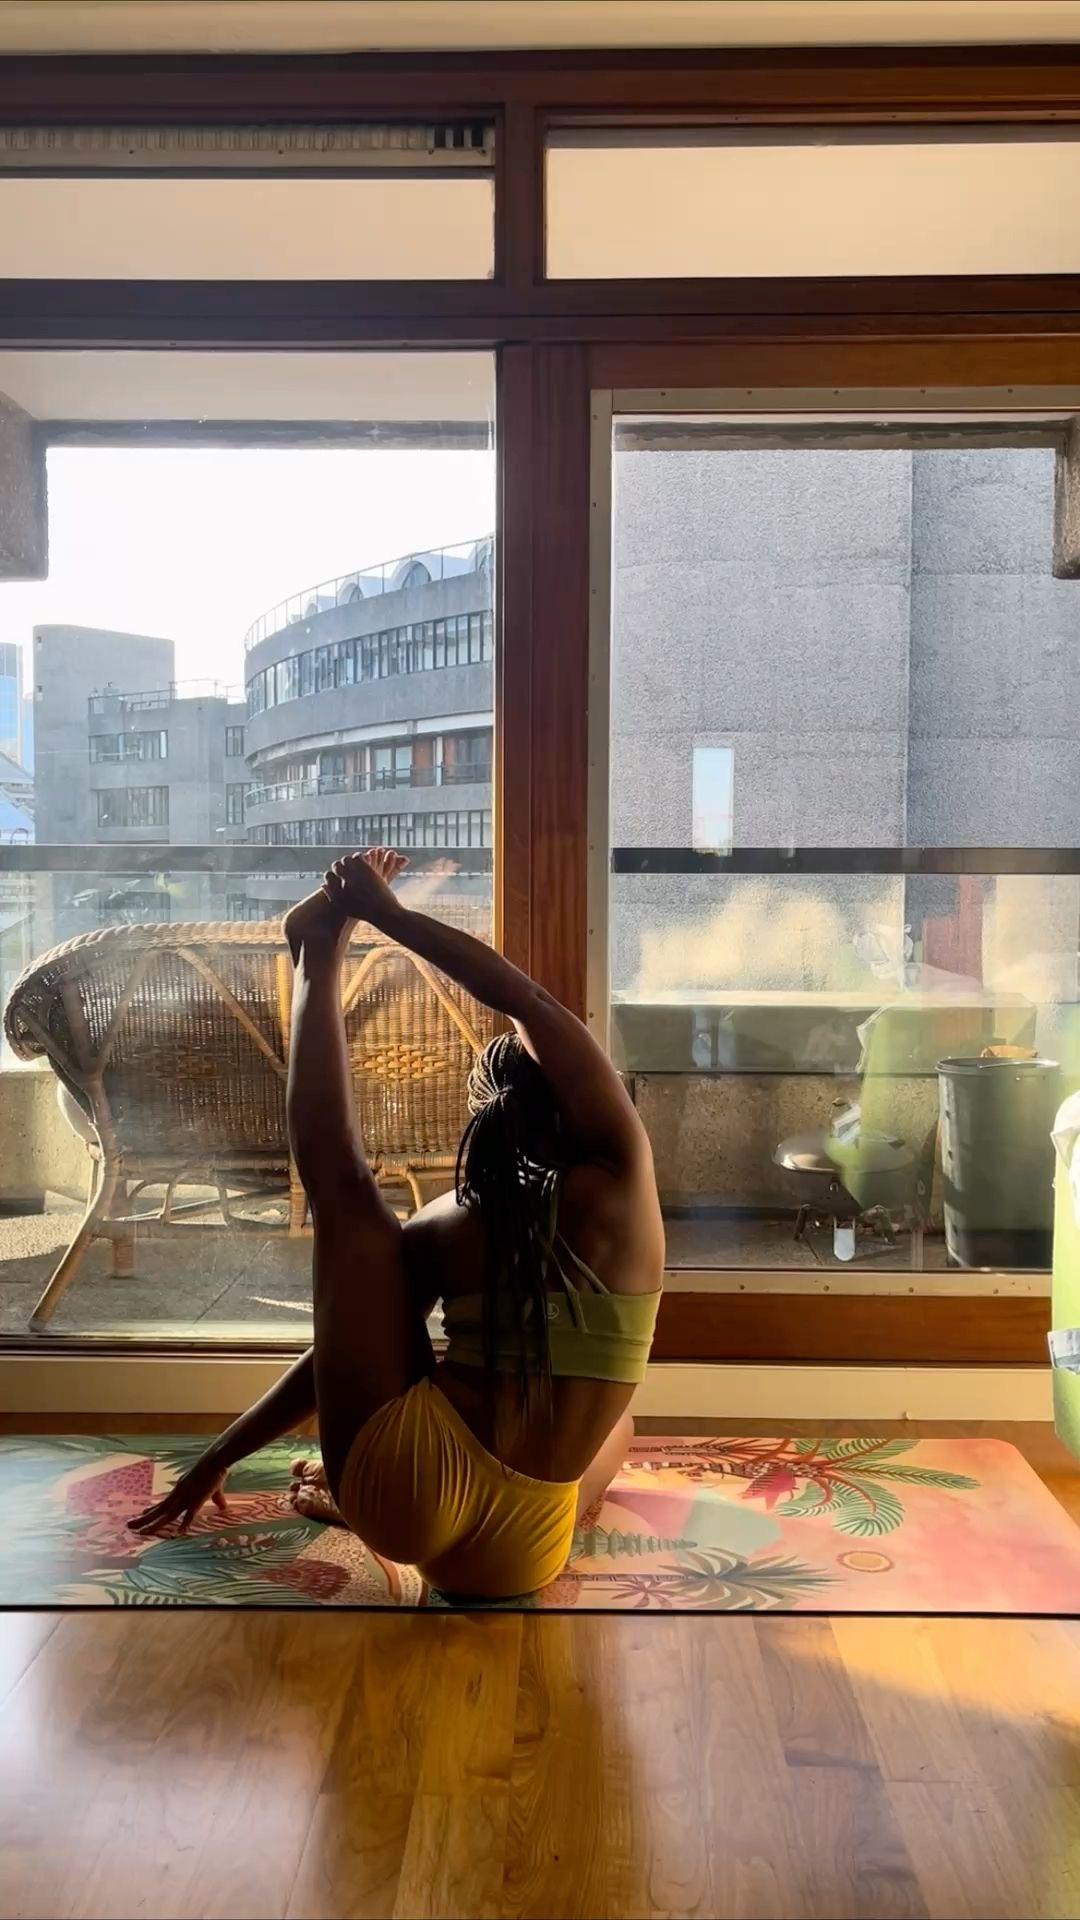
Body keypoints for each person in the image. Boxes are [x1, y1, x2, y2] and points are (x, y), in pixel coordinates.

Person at [130, 848, 664, 1599]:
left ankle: (316, 959)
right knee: (621, 1424)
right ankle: (359, 1496)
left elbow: (346, 1351)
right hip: (525, 1550)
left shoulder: (451, 1224)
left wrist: (224, 1451)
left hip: (407, 1491)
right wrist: (396, 915)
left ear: (493, 1117)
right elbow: (529, 1002)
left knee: (346, 1191)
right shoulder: (624, 1180)